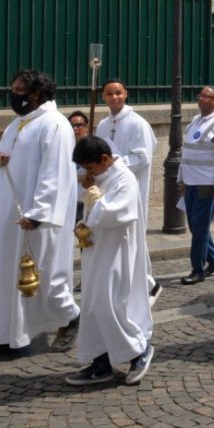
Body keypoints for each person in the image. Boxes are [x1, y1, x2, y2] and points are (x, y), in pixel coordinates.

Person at [0, 70, 81, 352]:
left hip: (37, 217)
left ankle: (72, 317)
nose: (13, 95)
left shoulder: (54, 125)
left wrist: (38, 214)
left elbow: (54, 174)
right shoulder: (17, 124)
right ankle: (7, 333)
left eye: (18, 90)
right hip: (7, 213)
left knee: (44, 276)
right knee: (5, 273)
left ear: (35, 94)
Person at [65, 136, 153, 386]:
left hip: (116, 251)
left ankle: (139, 350)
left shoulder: (124, 179)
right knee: (92, 306)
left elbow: (114, 213)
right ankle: (100, 362)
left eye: (90, 167)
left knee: (110, 304)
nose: (88, 173)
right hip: (96, 249)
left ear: (104, 159)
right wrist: (84, 222)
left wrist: (92, 195)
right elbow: (93, 209)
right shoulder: (101, 177)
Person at [95, 80, 161, 303]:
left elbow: (142, 158)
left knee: (132, 236)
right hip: (109, 187)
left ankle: (147, 283)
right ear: (103, 96)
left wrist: (113, 163)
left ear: (126, 94)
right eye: (109, 94)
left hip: (131, 188)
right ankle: (123, 282)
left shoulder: (137, 124)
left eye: (118, 93)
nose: (114, 97)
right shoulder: (104, 125)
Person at [178, 86, 214, 286]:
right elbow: (187, 153)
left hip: (206, 183)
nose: (201, 99)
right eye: (200, 95)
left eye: (206, 96)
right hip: (191, 181)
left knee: (199, 229)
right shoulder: (195, 121)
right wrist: (181, 179)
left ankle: (197, 269)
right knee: (195, 226)